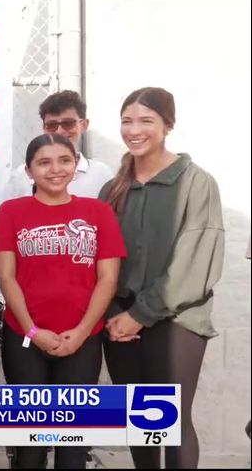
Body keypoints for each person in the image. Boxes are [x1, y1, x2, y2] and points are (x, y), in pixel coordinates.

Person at [100, 87, 224, 469]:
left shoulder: (195, 182)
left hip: (176, 321)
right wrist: (113, 315)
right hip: (121, 321)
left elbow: (195, 261)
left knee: (171, 421)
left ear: (168, 126)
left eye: (146, 121)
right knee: (141, 422)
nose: (134, 130)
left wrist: (141, 313)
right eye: (126, 121)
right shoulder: (113, 188)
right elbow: (103, 261)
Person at [0, 133, 126, 469]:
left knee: (73, 442)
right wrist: (33, 331)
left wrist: (81, 332)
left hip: (83, 338)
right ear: (29, 170)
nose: (55, 169)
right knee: (31, 441)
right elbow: (6, 277)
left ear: (75, 165)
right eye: (44, 162)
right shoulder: (11, 211)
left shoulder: (98, 211)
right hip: (24, 336)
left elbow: (107, 278)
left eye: (64, 160)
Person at [0, 90, 114, 202]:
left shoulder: (101, 174)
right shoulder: (21, 176)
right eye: (52, 125)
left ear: (83, 125)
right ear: (44, 128)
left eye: (68, 124)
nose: (59, 131)